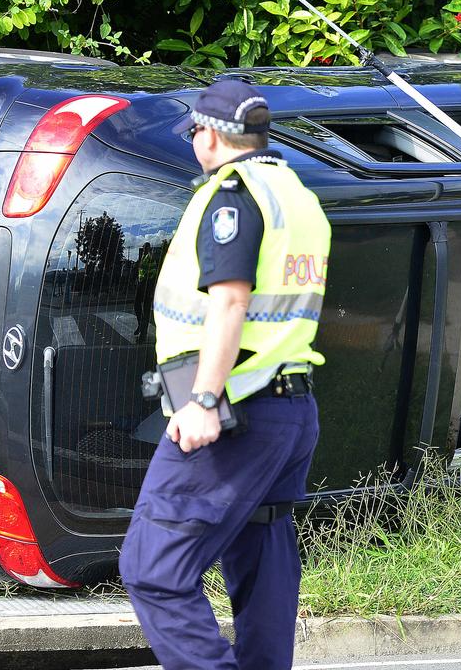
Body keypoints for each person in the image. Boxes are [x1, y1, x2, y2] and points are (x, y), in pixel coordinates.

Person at [119, 79, 331, 669]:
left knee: (153, 568)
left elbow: (231, 302)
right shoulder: (296, 195)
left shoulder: (234, 197)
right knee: (262, 561)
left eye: (194, 133)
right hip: (289, 410)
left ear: (210, 134)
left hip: (235, 410)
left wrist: (204, 398)